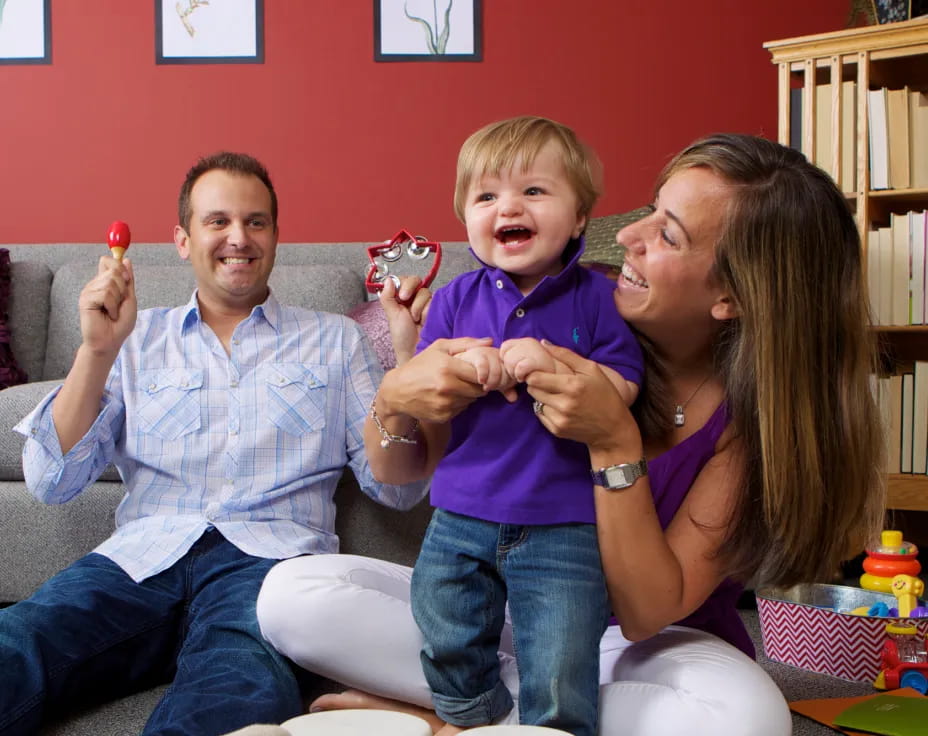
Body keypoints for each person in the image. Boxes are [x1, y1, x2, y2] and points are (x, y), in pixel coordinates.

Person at [256, 133, 885, 736]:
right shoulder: (570, 304)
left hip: (642, 649)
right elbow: (405, 471)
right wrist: (395, 394)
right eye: (649, 211)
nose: (629, 235)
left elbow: (644, 615)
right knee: (291, 594)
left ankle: (456, 717)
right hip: (497, 609)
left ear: (731, 295)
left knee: (744, 719)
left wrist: (613, 441)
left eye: (666, 233)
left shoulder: (746, 427)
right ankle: (510, 713)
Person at [2, 151, 429, 736]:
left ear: (276, 236)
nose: (239, 237)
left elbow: (397, 490)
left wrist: (407, 372)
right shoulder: (136, 336)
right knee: (18, 643)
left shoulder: (338, 341)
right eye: (217, 221)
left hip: (269, 567)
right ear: (182, 240)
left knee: (233, 693)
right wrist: (97, 352)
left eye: (256, 221)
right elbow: (52, 482)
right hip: (139, 562)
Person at [388, 115, 643, 736]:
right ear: (467, 220)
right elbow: (428, 376)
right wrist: (465, 360)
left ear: (580, 217)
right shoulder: (453, 298)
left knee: (560, 654)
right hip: (461, 511)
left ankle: (552, 728)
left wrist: (553, 363)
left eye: (533, 191)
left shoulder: (599, 297)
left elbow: (625, 384)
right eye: (486, 196)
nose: (509, 207)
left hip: (563, 521)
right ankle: (474, 718)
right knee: (442, 617)